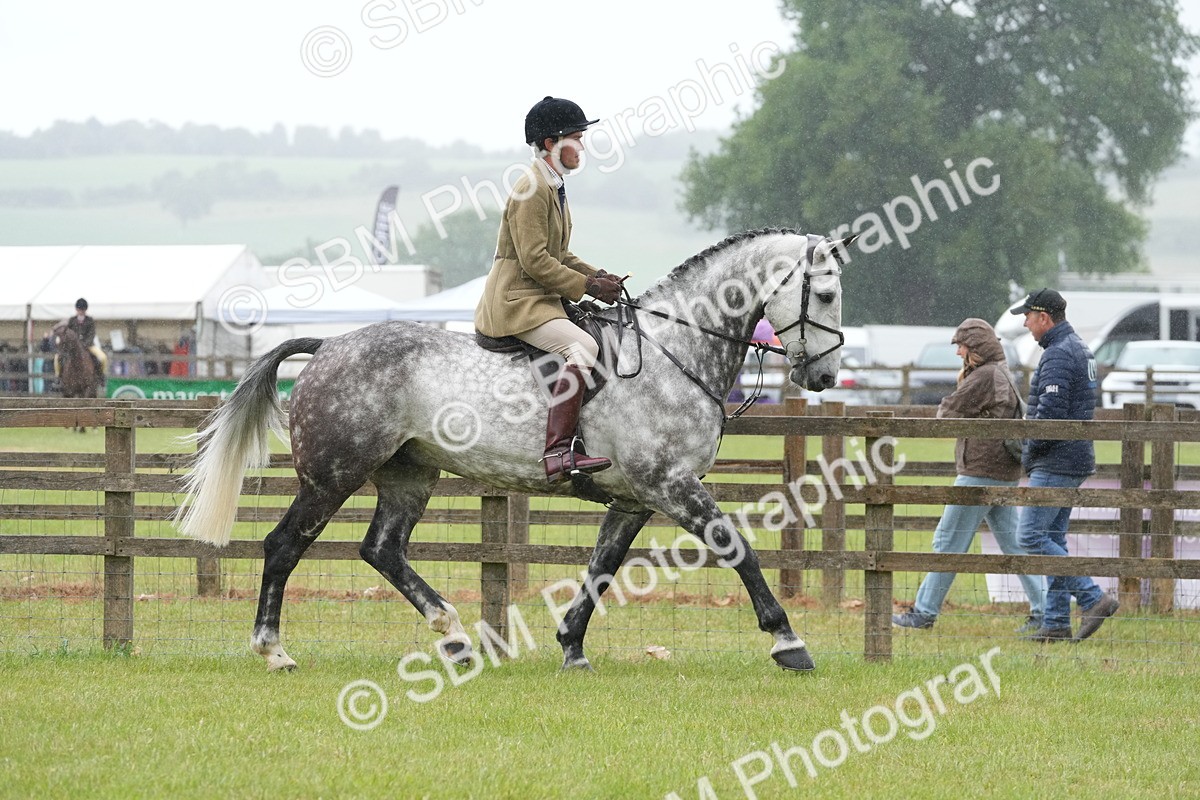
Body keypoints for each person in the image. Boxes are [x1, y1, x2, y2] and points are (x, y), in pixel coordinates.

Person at [474, 96, 624, 483]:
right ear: (552, 143)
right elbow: (535, 261)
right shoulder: (532, 188)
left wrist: (600, 276)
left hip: (539, 298)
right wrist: (587, 287)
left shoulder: (552, 184)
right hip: (517, 302)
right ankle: (558, 451)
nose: (583, 148)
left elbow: (561, 254)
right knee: (583, 347)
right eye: (577, 139)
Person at [892, 319, 1047, 633]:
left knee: (947, 541)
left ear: (976, 349)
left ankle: (923, 613)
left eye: (962, 345)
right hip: (1003, 472)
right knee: (1016, 546)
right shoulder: (1001, 372)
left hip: (979, 472)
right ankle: (1047, 611)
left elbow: (946, 412)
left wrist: (963, 393)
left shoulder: (985, 375)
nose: (958, 351)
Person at [1011, 288, 1119, 642]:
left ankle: (1092, 597)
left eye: (1028, 316)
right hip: (1073, 458)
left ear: (1044, 317)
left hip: (1056, 460)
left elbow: (1050, 419)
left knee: (1030, 536)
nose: (1025, 323)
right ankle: (1056, 623)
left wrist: (1028, 449)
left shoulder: (1058, 354)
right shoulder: (1079, 348)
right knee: (1052, 537)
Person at [55, 297, 108, 377]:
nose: (80, 312)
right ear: (76, 309)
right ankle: (58, 377)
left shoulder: (90, 320)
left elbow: (91, 334)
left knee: (103, 358)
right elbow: (68, 333)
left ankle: (101, 376)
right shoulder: (72, 320)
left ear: (85, 310)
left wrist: (84, 344)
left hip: (88, 346)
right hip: (73, 346)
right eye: (79, 310)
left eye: (82, 310)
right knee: (57, 357)